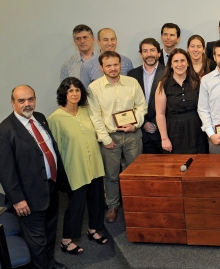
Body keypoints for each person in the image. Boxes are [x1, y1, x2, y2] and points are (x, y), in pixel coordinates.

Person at [0, 85, 69, 269]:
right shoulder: (5, 130)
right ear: (12, 103)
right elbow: (5, 170)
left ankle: (50, 264)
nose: (27, 104)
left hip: (51, 188)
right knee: (36, 241)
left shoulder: (39, 118)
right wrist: (17, 199)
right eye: (21, 101)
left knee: (50, 232)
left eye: (30, 99)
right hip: (28, 197)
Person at [48, 78, 107, 255]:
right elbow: (54, 149)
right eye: (70, 91)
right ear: (63, 94)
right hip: (74, 167)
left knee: (97, 199)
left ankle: (94, 229)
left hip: (94, 164)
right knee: (76, 204)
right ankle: (66, 240)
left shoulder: (87, 111)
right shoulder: (55, 118)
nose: (74, 94)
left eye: (77, 90)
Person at [88, 51, 148, 223]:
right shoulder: (94, 88)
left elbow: (141, 106)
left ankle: (135, 203)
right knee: (111, 175)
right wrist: (105, 139)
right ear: (101, 67)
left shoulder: (132, 82)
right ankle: (113, 205)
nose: (113, 68)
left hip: (132, 134)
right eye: (108, 65)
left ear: (120, 64)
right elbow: (95, 116)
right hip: (110, 136)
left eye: (115, 64)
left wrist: (135, 124)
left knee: (135, 173)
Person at [154, 48, 207, 154]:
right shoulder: (163, 84)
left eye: (182, 60)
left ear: (188, 63)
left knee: (199, 166)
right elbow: (160, 114)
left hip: (196, 130)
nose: (180, 64)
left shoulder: (198, 81)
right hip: (173, 132)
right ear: (171, 65)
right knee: (174, 167)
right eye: (176, 61)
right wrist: (164, 138)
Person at [128, 38, 165, 154]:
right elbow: (130, 103)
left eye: (152, 50)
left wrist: (155, 122)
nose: (149, 54)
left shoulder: (168, 72)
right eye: (145, 51)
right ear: (141, 54)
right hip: (141, 133)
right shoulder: (132, 75)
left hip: (163, 132)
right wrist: (143, 123)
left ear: (159, 53)